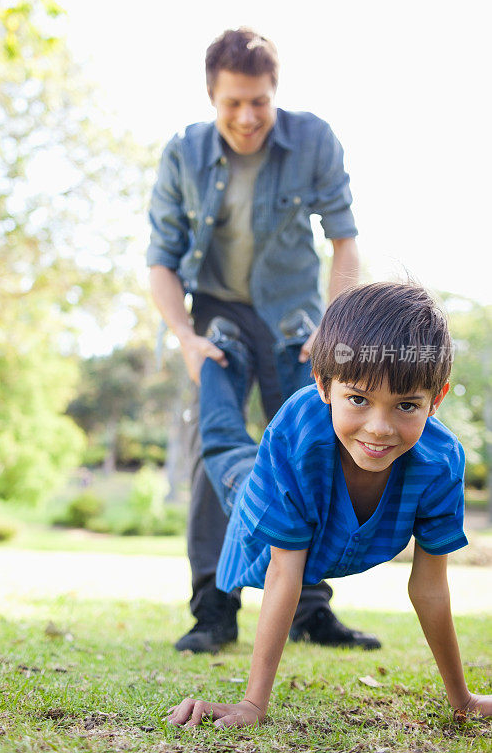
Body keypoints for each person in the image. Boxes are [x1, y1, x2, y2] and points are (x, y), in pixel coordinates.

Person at [167, 282, 492, 728]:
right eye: (359, 398)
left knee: (333, 412)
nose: (379, 429)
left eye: (406, 405)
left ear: (436, 400)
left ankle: (298, 345)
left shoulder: (440, 462)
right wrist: (254, 705)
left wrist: (463, 699)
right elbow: (285, 572)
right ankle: (224, 355)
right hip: (259, 484)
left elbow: (430, 586)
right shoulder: (295, 438)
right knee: (224, 443)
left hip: (317, 444)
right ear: (325, 385)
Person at [147, 27, 379, 654]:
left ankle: (309, 609)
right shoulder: (183, 154)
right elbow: (161, 262)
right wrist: (187, 339)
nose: (248, 117)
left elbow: (344, 239)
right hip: (218, 316)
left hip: (296, 321)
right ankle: (213, 611)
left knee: (310, 448)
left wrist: (336, 329)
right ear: (211, 97)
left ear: (275, 93)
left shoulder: (313, 140)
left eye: (260, 101)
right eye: (233, 103)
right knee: (212, 452)